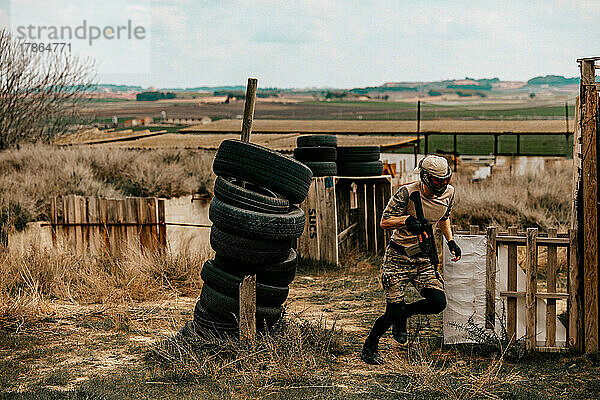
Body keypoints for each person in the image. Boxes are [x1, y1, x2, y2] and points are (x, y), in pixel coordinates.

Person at [361, 155, 462, 365]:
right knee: (393, 311)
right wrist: (407, 221)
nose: (442, 185)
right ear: (425, 177)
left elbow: (444, 218)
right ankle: (370, 345)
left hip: (424, 259)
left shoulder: (449, 194)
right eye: (436, 181)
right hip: (398, 257)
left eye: (445, 181)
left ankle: (403, 316)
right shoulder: (407, 193)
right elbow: (384, 221)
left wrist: (450, 240)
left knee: (437, 302)